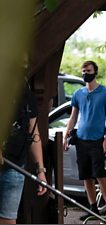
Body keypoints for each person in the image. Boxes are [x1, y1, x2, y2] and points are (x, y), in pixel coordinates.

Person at [63, 60, 106, 221]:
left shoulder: (105, 93)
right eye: (83, 70)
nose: (85, 73)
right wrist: (65, 136)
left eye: (88, 70)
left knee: (99, 174)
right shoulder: (78, 94)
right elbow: (73, 117)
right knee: (86, 176)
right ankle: (93, 208)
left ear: (95, 72)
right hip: (81, 139)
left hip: (97, 140)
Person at [0, 80, 48, 224]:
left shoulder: (26, 94)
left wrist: (41, 171)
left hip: (15, 166)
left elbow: (34, 134)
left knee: (8, 219)